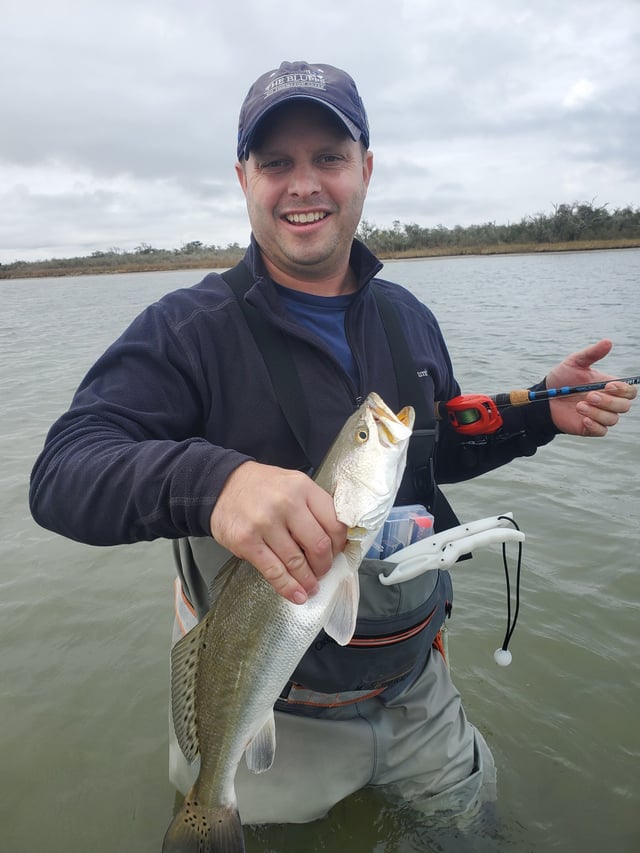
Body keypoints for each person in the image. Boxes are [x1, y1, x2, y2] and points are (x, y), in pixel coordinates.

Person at [29, 61, 636, 827]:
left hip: (416, 689)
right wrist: (217, 484)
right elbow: (61, 472)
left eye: (329, 158)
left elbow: (430, 455)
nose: (304, 184)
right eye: (277, 162)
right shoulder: (184, 331)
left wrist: (542, 412)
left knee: (475, 831)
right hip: (265, 714)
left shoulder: (407, 316)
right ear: (242, 177)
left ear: (366, 170)